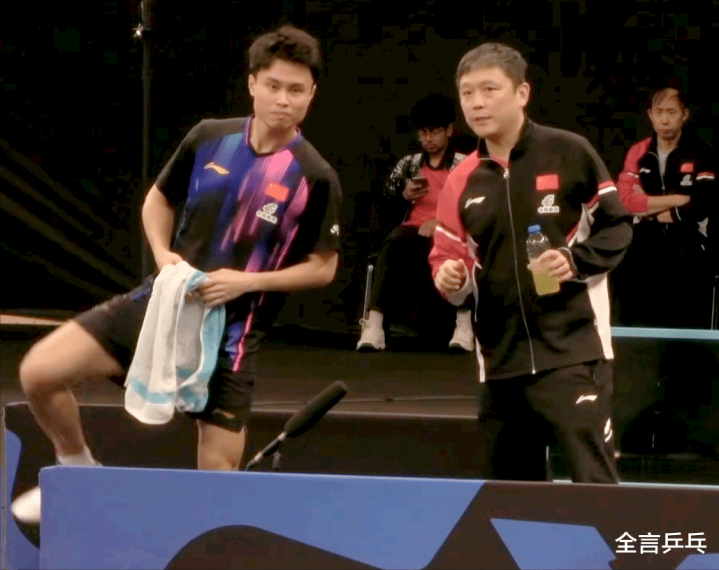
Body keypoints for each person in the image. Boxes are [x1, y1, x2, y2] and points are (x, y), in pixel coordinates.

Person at [12, 24, 342, 524]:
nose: (283, 99)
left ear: (311, 95)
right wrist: (163, 254)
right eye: (273, 85)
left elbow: (323, 267)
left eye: (296, 90)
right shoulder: (209, 137)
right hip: (161, 302)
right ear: (252, 83)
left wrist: (248, 282)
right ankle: (77, 474)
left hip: (233, 335)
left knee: (217, 489)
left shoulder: (315, 175)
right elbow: (157, 201)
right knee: (39, 372)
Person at [431, 42, 632, 483]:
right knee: (512, 499)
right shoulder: (460, 179)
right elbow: (448, 260)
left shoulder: (569, 151)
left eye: (489, 89)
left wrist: (575, 261)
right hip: (501, 364)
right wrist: (450, 278)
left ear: (522, 93)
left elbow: (617, 227)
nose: (477, 103)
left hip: (573, 352)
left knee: (595, 487)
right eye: (467, 93)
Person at [357, 94, 472, 351]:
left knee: (462, 249)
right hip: (413, 232)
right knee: (393, 241)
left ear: (448, 131)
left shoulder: (463, 165)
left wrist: (440, 223)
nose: (428, 139)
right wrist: (404, 196)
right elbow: (385, 207)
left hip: (451, 233)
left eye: (434, 132)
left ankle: (464, 326)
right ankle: (374, 326)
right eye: (423, 133)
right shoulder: (408, 165)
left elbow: (474, 206)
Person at [613, 87, 717, 329]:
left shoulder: (703, 152)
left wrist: (649, 205)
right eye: (659, 112)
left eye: (671, 112)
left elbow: (701, 205)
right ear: (650, 115)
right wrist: (678, 199)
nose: (665, 119)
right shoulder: (639, 151)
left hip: (689, 240)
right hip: (644, 239)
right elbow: (625, 202)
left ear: (684, 115)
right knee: (624, 268)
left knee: (682, 276)